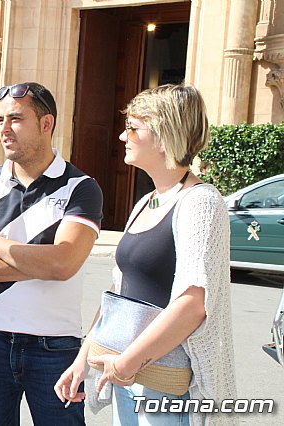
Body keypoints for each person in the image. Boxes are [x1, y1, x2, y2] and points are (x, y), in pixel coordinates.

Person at [54, 84, 237, 426]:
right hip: (125, 373)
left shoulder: (201, 202)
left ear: (164, 136)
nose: (123, 136)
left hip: (166, 385)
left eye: (134, 128)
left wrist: (127, 363)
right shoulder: (146, 202)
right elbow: (119, 293)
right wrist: (84, 357)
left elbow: (193, 305)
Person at [0, 82, 103, 425]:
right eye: (0, 120)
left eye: (16, 119)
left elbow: (63, 264)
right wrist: (45, 263)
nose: (4, 129)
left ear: (46, 123)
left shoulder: (81, 187)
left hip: (55, 346)